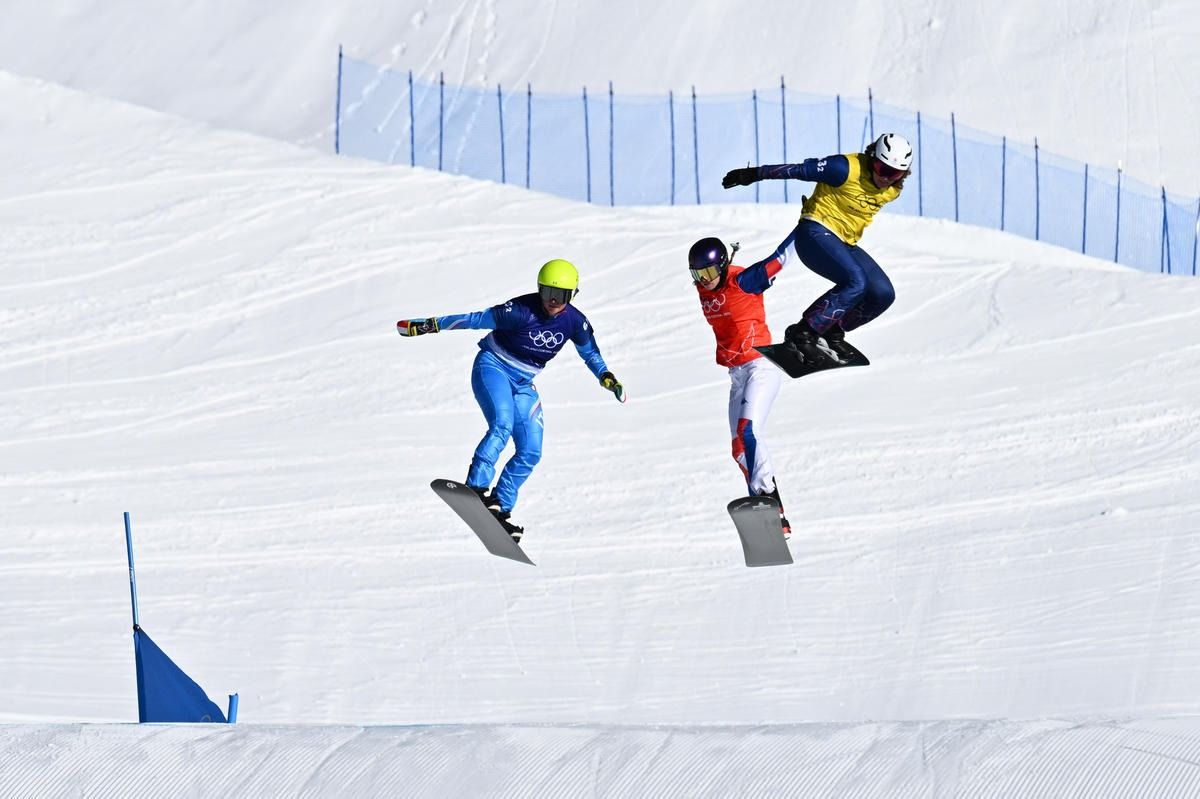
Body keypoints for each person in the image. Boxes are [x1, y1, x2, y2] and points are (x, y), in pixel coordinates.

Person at [397, 259, 625, 542]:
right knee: (502, 425)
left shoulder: (575, 322)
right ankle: (476, 486)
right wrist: (431, 325)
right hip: (493, 367)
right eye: (547, 292)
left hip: (523, 383)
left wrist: (606, 376)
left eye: (561, 295)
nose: (553, 301)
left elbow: (590, 353)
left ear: (573, 294)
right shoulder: (519, 311)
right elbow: (474, 319)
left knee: (531, 451)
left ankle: (499, 509)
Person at [721, 132, 913, 365]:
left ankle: (831, 330)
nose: (885, 178)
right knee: (857, 282)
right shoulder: (844, 168)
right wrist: (754, 174)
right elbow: (799, 170)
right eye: (881, 169)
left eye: (894, 174)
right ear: (872, 158)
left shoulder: (893, 190)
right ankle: (802, 333)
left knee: (882, 294)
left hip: (844, 242)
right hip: (813, 233)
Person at [689, 236, 791, 539]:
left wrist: (810, 226)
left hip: (761, 365)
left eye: (708, 272)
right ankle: (766, 512)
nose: (703, 280)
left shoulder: (744, 281)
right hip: (737, 375)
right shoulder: (705, 289)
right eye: (697, 274)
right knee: (738, 449)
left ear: (722, 266)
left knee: (748, 430)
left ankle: (770, 500)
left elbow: (780, 259)